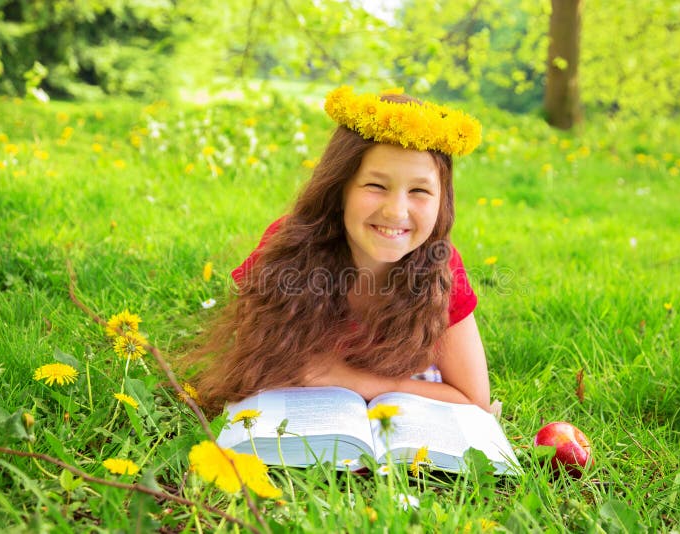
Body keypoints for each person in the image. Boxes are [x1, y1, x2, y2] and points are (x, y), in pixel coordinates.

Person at [184, 86, 490, 413]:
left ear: (443, 201)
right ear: (339, 189)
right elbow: (252, 366)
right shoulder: (289, 246)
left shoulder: (441, 264)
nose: (396, 211)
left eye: (419, 190)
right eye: (376, 185)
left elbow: (474, 399)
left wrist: (357, 382)